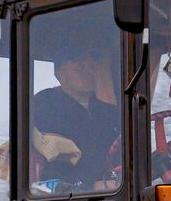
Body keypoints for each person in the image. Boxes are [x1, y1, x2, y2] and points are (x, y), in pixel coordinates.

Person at [32, 40, 121, 189]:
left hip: (116, 190)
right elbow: (49, 164)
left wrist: (164, 153)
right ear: (59, 73)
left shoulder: (106, 110)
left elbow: (119, 151)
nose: (88, 69)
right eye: (79, 65)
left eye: (92, 66)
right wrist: (91, 185)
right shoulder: (45, 105)